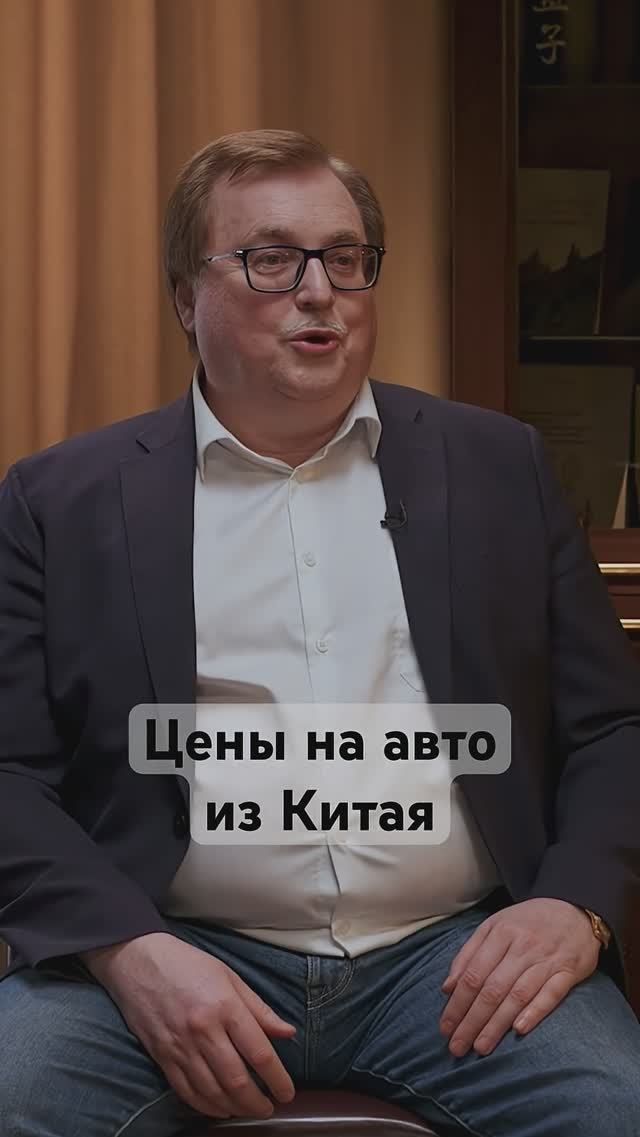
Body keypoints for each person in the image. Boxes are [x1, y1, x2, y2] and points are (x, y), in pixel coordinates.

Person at [0, 128, 639, 1137]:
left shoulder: (497, 467)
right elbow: (9, 773)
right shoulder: (58, 501)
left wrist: (575, 904)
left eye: (345, 258)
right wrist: (125, 950)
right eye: (271, 259)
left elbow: (612, 729)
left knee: (615, 1108)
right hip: (171, 948)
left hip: (452, 957)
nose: (319, 292)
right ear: (185, 297)